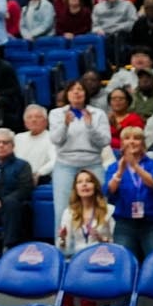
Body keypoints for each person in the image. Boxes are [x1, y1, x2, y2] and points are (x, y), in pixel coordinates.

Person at [48, 79, 111, 223]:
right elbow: (56, 140)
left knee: (99, 207)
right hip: (65, 165)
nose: (76, 92)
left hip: (92, 164)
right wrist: (65, 124)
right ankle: (63, 245)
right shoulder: (57, 113)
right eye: (72, 90)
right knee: (62, 211)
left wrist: (90, 127)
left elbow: (105, 141)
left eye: (80, 89)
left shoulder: (98, 114)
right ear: (67, 94)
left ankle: (101, 244)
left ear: (86, 94)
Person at [105, 127, 153, 260]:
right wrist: (120, 172)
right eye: (127, 138)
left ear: (143, 144)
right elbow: (108, 191)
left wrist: (134, 166)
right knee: (122, 261)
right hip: (125, 223)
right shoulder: (113, 167)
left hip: (151, 223)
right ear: (122, 144)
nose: (132, 142)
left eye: (137, 138)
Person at [57, 169, 115, 256]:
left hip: (103, 257)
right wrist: (62, 238)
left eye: (89, 181)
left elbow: (117, 244)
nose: (84, 184)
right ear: (76, 189)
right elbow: (64, 249)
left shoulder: (109, 210)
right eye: (80, 182)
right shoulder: (69, 212)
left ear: (95, 186)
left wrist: (101, 239)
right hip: (80, 259)